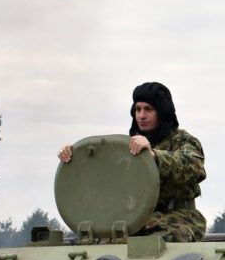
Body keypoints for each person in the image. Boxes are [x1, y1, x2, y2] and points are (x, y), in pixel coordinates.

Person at [57, 82, 206, 242]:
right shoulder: (126, 147)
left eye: (148, 109)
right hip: (131, 222)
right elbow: (102, 174)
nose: (141, 115)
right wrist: (75, 156)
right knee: (101, 248)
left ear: (162, 112)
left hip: (177, 220)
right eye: (137, 109)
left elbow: (192, 167)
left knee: (154, 246)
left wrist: (155, 156)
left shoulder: (182, 141)